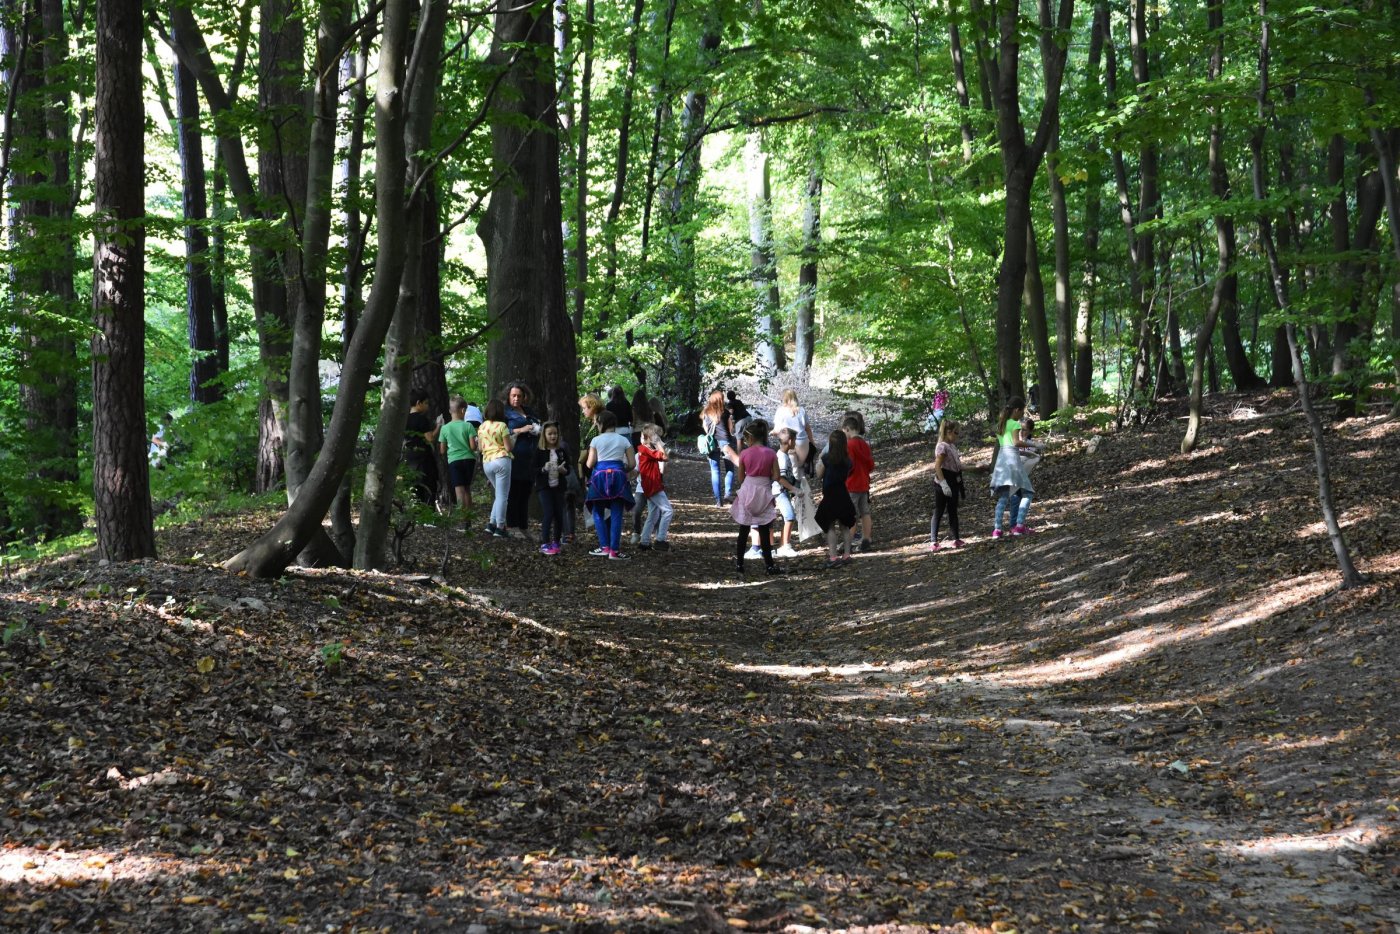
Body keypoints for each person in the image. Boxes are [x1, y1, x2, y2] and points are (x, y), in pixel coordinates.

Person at [729, 422, 784, 576]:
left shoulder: (745, 454)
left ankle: (740, 564)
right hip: (764, 491)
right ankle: (769, 565)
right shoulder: (771, 453)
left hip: (748, 490)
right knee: (765, 531)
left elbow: (740, 478)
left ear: (751, 438)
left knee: (744, 530)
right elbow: (777, 476)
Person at [584, 410, 636, 559]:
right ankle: (615, 550)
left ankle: (604, 547)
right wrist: (621, 468)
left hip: (599, 477)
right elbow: (632, 463)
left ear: (601, 423)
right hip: (619, 477)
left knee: (598, 512)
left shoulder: (596, 440)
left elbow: (590, 464)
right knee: (616, 514)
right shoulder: (624, 440)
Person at [989, 395, 1035, 538]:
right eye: (1021, 412)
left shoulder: (1001, 424)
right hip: (1013, 462)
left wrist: (1027, 454)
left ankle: (997, 529)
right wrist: (1034, 445)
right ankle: (1019, 526)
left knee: (1004, 495)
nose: (1022, 415)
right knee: (1028, 492)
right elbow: (1016, 443)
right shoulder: (1014, 424)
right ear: (1016, 410)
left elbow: (1007, 446)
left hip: (1002, 462)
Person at [503, 382, 542, 535]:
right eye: (513, 395)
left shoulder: (529, 411)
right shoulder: (505, 413)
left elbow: (538, 424)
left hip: (530, 457)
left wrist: (538, 429)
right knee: (514, 492)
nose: (516, 398)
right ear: (508, 396)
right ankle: (512, 526)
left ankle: (524, 527)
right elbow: (500, 431)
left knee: (526, 493)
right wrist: (520, 429)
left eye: (519, 396)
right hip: (514, 456)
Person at [815, 429, 857, 567]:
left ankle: (833, 557)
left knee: (830, 526)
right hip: (843, 494)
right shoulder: (847, 461)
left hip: (830, 495)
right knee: (844, 526)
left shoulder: (826, 459)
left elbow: (819, 474)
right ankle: (846, 554)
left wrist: (820, 458)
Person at [533, 421, 572, 555]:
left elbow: (568, 469)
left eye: (555, 433)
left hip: (558, 487)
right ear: (544, 435)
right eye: (550, 434)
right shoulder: (539, 451)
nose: (553, 436)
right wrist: (544, 468)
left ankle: (556, 541)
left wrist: (563, 471)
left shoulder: (561, 451)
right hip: (544, 487)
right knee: (548, 512)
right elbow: (533, 470)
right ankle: (545, 542)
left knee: (559, 514)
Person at [438, 396, 478, 523]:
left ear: (450, 411)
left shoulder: (445, 428)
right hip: (469, 460)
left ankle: (462, 519)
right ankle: (469, 519)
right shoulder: (468, 426)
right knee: (467, 490)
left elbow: (442, 450)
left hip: (454, 461)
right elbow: (473, 447)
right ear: (463, 410)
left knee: (459, 491)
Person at [477, 399, 514, 537]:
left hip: (487, 463)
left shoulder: (482, 427)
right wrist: (513, 439)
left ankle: (491, 524)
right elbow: (509, 447)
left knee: (499, 495)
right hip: (501, 461)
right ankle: (500, 527)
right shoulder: (502, 426)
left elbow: (480, 448)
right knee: (503, 496)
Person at [636, 423, 674, 551]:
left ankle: (644, 542)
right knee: (668, 511)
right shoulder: (645, 450)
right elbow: (665, 457)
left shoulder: (645, 450)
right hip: (653, 486)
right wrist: (658, 442)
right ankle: (660, 540)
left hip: (650, 485)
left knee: (653, 514)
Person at [930, 418, 965, 550]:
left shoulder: (952, 446)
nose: (957, 436)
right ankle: (934, 540)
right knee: (939, 510)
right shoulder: (942, 447)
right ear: (948, 431)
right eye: (956, 433)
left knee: (953, 510)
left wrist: (976, 467)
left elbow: (958, 466)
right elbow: (937, 466)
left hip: (954, 481)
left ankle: (956, 538)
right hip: (943, 482)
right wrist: (943, 484)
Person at [843, 414, 876, 551]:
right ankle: (866, 539)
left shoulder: (850, 444)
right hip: (864, 483)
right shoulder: (864, 444)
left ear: (848, 429)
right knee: (865, 512)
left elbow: (849, 464)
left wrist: (844, 474)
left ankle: (848, 542)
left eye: (844, 432)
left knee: (850, 514)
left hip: (852, 484)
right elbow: (871, 465)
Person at [701, 389, 739, 506]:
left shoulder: (706, 413)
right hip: (725, 443)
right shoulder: (726, 413)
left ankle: (718, 501)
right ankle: (727, 493)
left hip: (712, 444)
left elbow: (706, 430)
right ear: (721, 400)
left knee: (715, 471)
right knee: (730, 469)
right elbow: (731, 430)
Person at [404, 394, 440, 506]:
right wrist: (439, 426)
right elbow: (430, 438)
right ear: (418, 403)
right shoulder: (421, 418)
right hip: (423, 457)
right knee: (428, 485)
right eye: (426, 403)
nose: (427, 406)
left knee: (414, 486)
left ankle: (416, 514)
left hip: (409, 456)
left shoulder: (404, 419)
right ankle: (429, 514)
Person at [772, 428, 802, 558]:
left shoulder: (784, 455)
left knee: (787, 517)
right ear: (790, 441)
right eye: (794, 440)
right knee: (790, 516)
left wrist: (796, 483)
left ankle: (782, 545)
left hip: (784, 491)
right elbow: (780, 478)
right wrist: (793, 489)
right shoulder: (782, 458)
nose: (795, 443)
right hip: (780, 491)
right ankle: (786, 545)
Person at [770, 389, 816, 470]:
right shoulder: (802, 410)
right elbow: (807, 429)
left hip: (787, 441)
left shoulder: (780, 411)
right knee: (799, 468)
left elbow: (776, 430)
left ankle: (788, 481)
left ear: (784, 399)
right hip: (802, 442)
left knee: (787, 466)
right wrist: (812, 441)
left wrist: (772, 433)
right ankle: (800, 481)